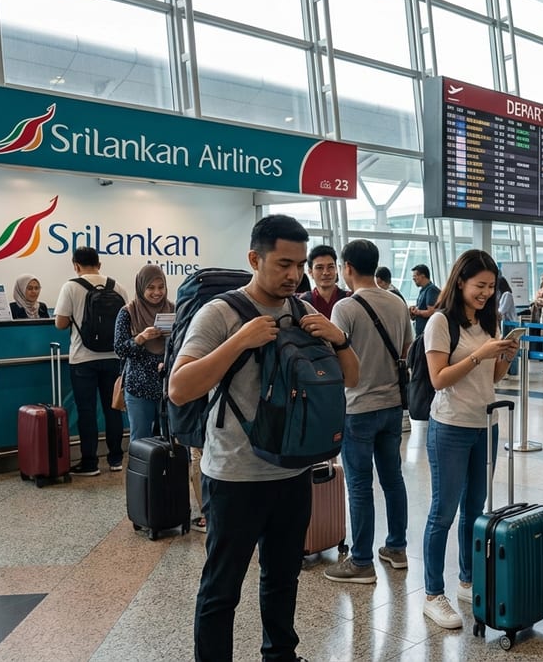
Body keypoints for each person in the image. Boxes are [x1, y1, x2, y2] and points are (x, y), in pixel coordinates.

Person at [168, 215, 359, 661]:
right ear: (255, 259)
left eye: (300, 265)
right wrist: (238, 342)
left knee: (283, 575)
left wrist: (340, 339)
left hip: (292, 469)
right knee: (222, 586)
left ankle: (280, 654)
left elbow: (350, 378)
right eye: (283, 264)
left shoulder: (303, 311)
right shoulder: (220, 313)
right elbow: (180, 387)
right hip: (235, 475)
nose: (294, 275)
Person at [420, 249, 518, 629]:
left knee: (474, 509)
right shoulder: (441, 323)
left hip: (485, 424)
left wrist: (505, 355)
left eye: (491, 287)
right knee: (442, 512)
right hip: (450, 426)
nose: (486, 293)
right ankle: (432, 593)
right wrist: (480, 354)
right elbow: (439, 378)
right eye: (480, 286)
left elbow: (492, 379)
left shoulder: (489, 320)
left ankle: (467, 578)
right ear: (460, 281)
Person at [324, 240, 414, 584]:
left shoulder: (345, 308)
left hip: (357, 407)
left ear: (347, 268)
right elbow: (407, 350)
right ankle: (397, 547)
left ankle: (361, 561)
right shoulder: (397, 302)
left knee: (360, 486)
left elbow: (337, 359)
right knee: (393, 479)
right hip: (393, 407)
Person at [54, 247, 131, 476]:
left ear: (75, 265)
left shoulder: (70, 286)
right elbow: (126, 320)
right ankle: (116, 459)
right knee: (113, 409)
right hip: (113, 357)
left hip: (83, 358)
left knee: (86, 411)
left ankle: (89, 463)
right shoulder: (117, 287)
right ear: (100, 264)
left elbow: (60, 323)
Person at [113, 264, 174, 443]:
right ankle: (144, 472)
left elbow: (186, 345)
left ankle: (170, 472)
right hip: (138, 387)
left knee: (171, 439)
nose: (157, 292)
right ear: (141, 287)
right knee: (140, 440)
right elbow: (119, 349)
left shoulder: (173, 310)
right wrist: (140, 338)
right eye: (151, 288)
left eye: (161, 287)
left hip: (168, 386)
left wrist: (173, 338)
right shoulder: (128, 312)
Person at [300, 245, 351, 318]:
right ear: (310, 272)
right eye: (319, 268)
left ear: (336, 269)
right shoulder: (303, 302)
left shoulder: (348, 298)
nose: (326, 272)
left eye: (330, 267)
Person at [409, 264, 441, 337]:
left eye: (415, 276)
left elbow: (431, 312)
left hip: (427, 334)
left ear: (422, 276)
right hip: (421, 333)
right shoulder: (423, 290)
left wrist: (417, 312)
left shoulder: (431, 290)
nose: (413, 278)